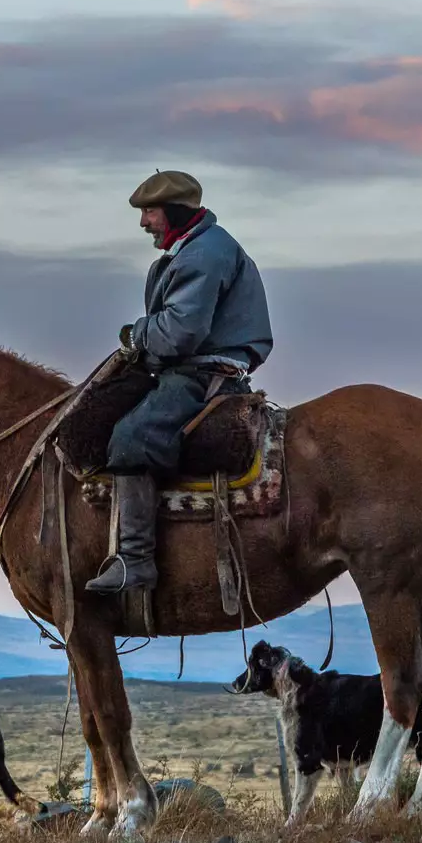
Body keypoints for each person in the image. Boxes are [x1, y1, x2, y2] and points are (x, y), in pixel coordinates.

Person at [85, 169, 273, 596]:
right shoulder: (193, 251)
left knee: (133, 437)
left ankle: (135, 562)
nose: (143, 222)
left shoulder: (202, 255)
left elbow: (179, 333)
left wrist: (136, 334)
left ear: (174, 211)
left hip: (201, 374)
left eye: (149, 211)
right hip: (187, 367)